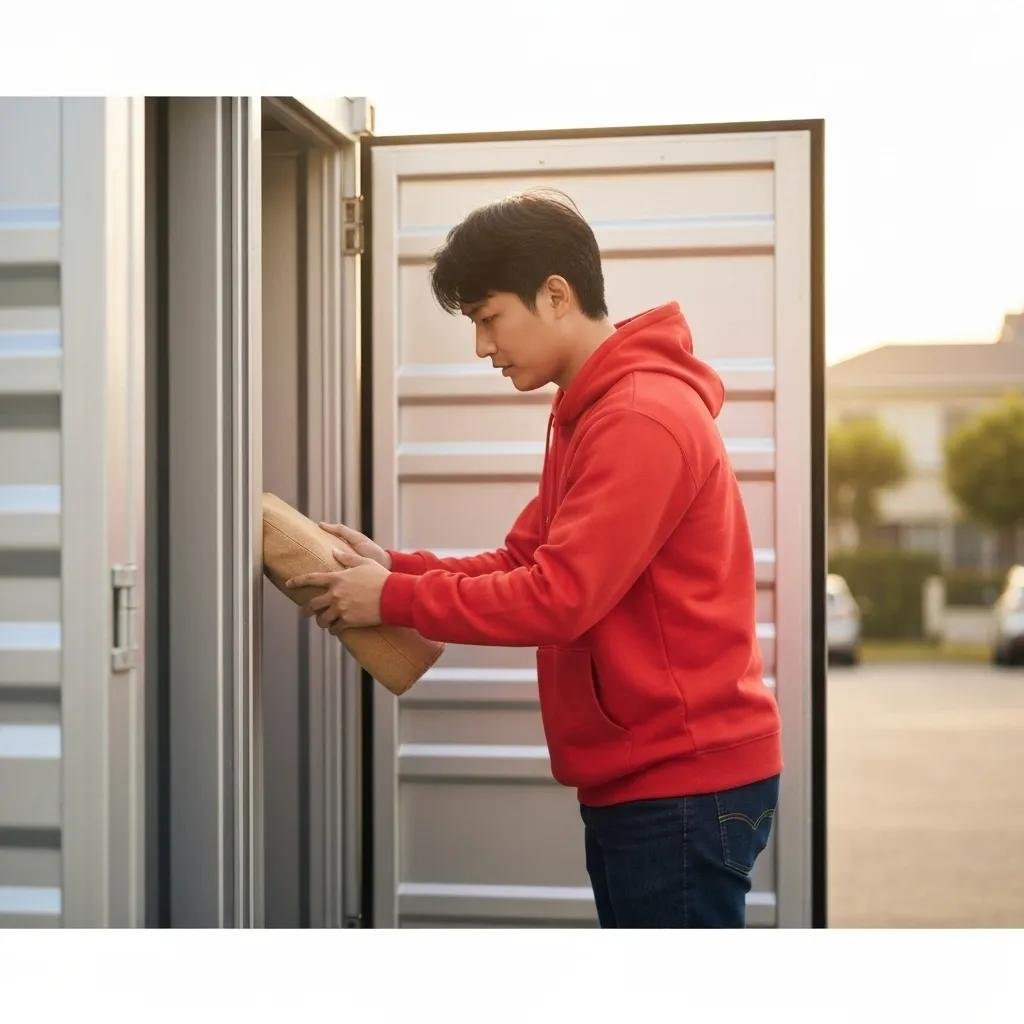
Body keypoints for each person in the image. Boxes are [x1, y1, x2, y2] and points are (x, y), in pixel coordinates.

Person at [285, 188, 782, 928]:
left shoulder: (639, 417)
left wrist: (388, 599)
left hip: (680, 783)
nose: (483, 346)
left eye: (489, 318)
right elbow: (522, 559)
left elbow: (557, 596)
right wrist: (392, 566)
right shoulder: (593, 412)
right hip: (650, 778)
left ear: (555, 295)